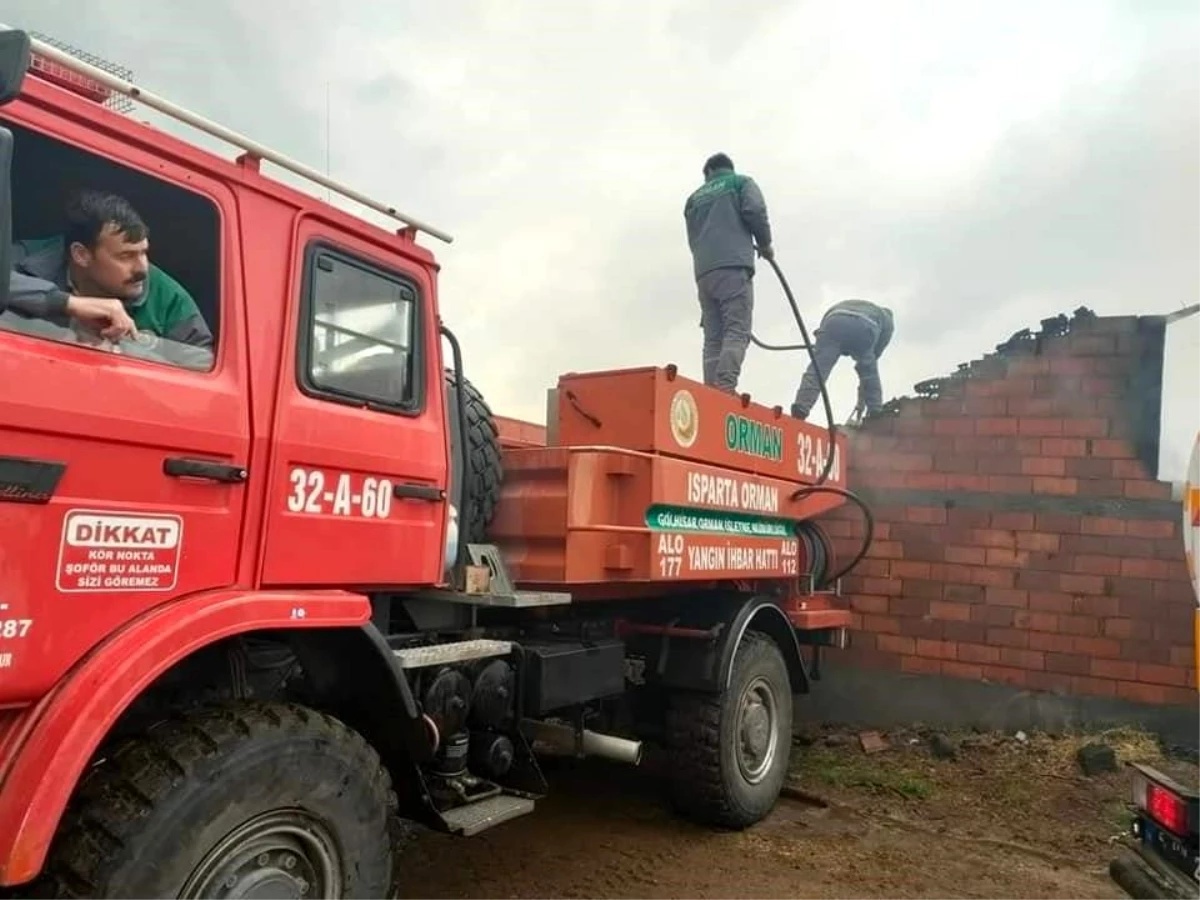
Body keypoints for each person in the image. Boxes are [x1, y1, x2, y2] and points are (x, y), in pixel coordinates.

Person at [7, 189, 213, 349]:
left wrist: (126, 348)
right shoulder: (30, 259)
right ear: (81, 255)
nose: (142, 268)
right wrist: (68, 304)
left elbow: (202, 365)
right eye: (126, 256)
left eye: (143, 252)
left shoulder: (169, 296)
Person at [684, 153, 773, 393]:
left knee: (713, 337)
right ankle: (725, 388)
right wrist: (765, 244)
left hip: (704, 273)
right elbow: (755, 211)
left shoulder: (692, 200)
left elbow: (692, 237)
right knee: (737, 330)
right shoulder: (741, 183)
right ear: (728, 168)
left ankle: (710, 391)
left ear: (708, 173)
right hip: (733, 266)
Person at [791, 298, 894, 422]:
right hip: (864, 326)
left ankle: (801, 408)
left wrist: (826, 345)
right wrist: (865, 405)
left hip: (834, 321)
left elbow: (826, 322)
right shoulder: (887, 322)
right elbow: (870, 369)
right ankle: (876, 415)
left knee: (819, 368)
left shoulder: (856, 304)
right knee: (869, 371)